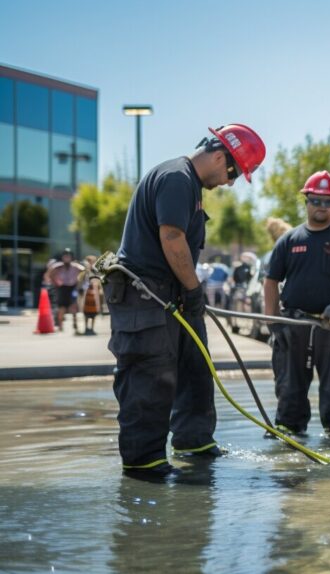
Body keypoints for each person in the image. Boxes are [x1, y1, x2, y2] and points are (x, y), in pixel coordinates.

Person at [105, 123, 266, 479]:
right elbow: (172, 236)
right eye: (234, 172)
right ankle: (144, 464)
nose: (230, 181)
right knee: (150, 378)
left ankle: (194, 442)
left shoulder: (189, 187)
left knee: (195, 367)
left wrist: (189, 293)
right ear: (220, 155)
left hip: (170, 296)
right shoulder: (177, 178)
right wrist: (194, 289)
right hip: (147, 298)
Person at [263, 170, 330, 440]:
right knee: (289, 383)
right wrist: (272, 320)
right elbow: (271, 281)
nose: (322, 207)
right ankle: (289, 426)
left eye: (328, 202)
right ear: (306, 201)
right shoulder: (289, 241)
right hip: (294, 322)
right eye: (316, 201)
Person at [44, 248, 85, 333]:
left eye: (68, 256)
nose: (67, 258)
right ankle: (60, 325)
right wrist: (55, 282)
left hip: (72, 287)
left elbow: (84, 272)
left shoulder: (76, 266)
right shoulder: (58, 266)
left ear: (71, 257)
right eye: (65, 256)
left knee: (73, 306)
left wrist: (79, 284)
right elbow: (49, 274)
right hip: (62, 287)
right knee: (61, 307)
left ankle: (75, 324)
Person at [79, 255, 103, 335]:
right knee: (86, 313)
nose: (91, 263)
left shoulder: (96, 272)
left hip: (94, 295)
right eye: (89, 261)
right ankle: (86, 328)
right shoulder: (83, 272)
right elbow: (80, 282)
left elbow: (99, 282)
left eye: (92, 261)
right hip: (86, 295)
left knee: (94, 313)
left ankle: (92, 328)